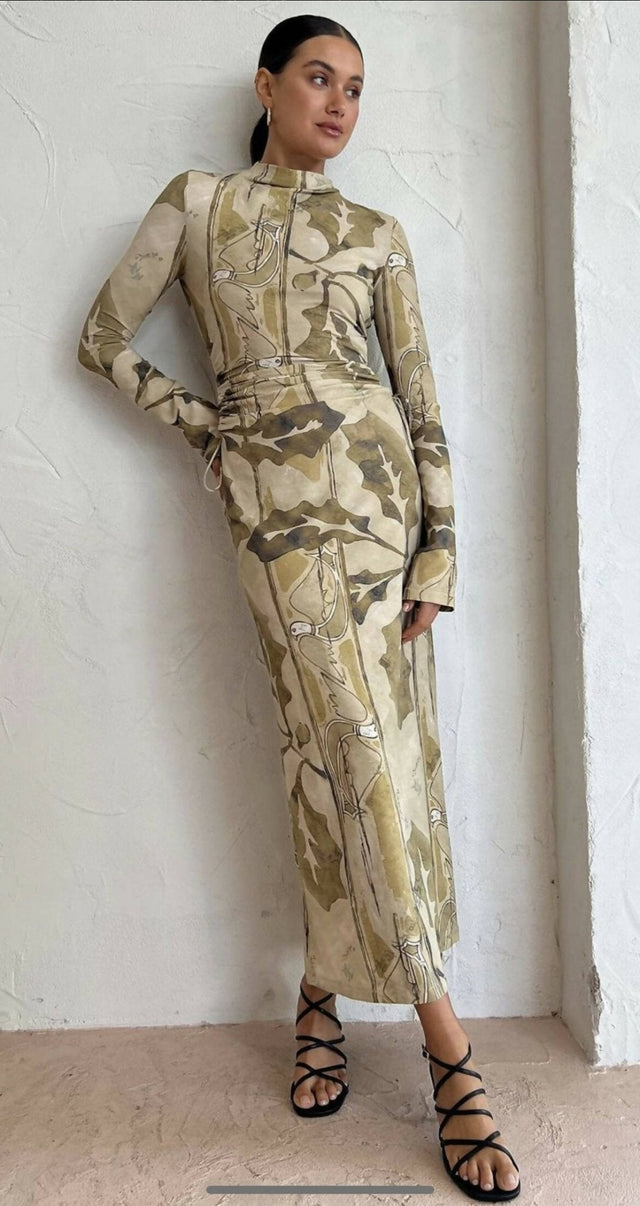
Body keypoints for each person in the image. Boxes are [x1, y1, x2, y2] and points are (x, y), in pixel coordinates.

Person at [76, 13, 520, 1202]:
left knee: (366, 754)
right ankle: (449, 1050)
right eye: (319, 78)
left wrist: (441, 553)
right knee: (339, 744)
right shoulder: (199, 203)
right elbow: (102, 337)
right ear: (266, 85)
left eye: (356, 89)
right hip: (271, 511)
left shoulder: (375, 233)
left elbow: (418, 401)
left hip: (379, 508)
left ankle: (323, 995)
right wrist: (205, 431)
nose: (339, 103)